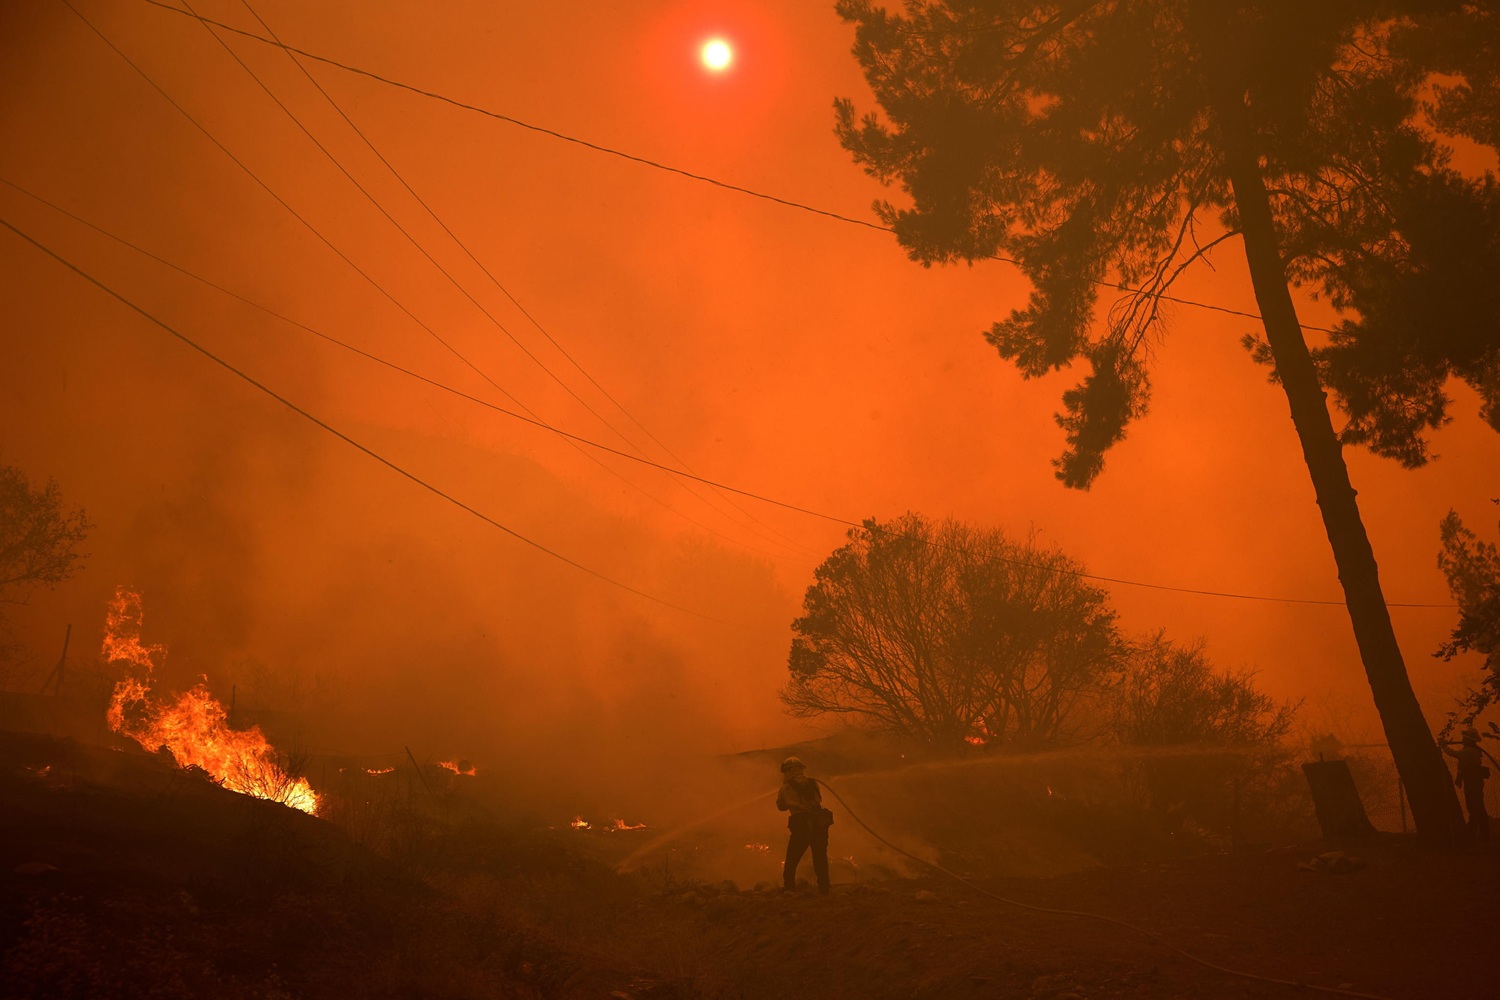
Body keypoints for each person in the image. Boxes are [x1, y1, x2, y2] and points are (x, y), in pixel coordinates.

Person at [776, 756, 831, 894]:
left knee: (791, 860)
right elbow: (819, 799)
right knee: (820, 858)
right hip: (819, 825)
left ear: (790, 770)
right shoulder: (813, 783)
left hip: (802, 826)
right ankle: (824, 889)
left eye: (785, 771)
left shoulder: (786, 788)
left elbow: (781, 806)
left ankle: (789, 889)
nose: (784, 775)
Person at [1449, 727, 1491, 843]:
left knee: (1475, 806)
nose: (1463, 740)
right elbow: (1462, 767)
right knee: (1473, 806)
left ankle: (1481, 834)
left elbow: (1455, 754)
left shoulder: (1469, 751)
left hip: (1474, 782)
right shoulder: (1471, 750)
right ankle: (1474, 832)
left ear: (1469, 740)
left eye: (1465, 739)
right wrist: (1459, 778)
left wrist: (1444, 747)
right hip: (1471, 781)